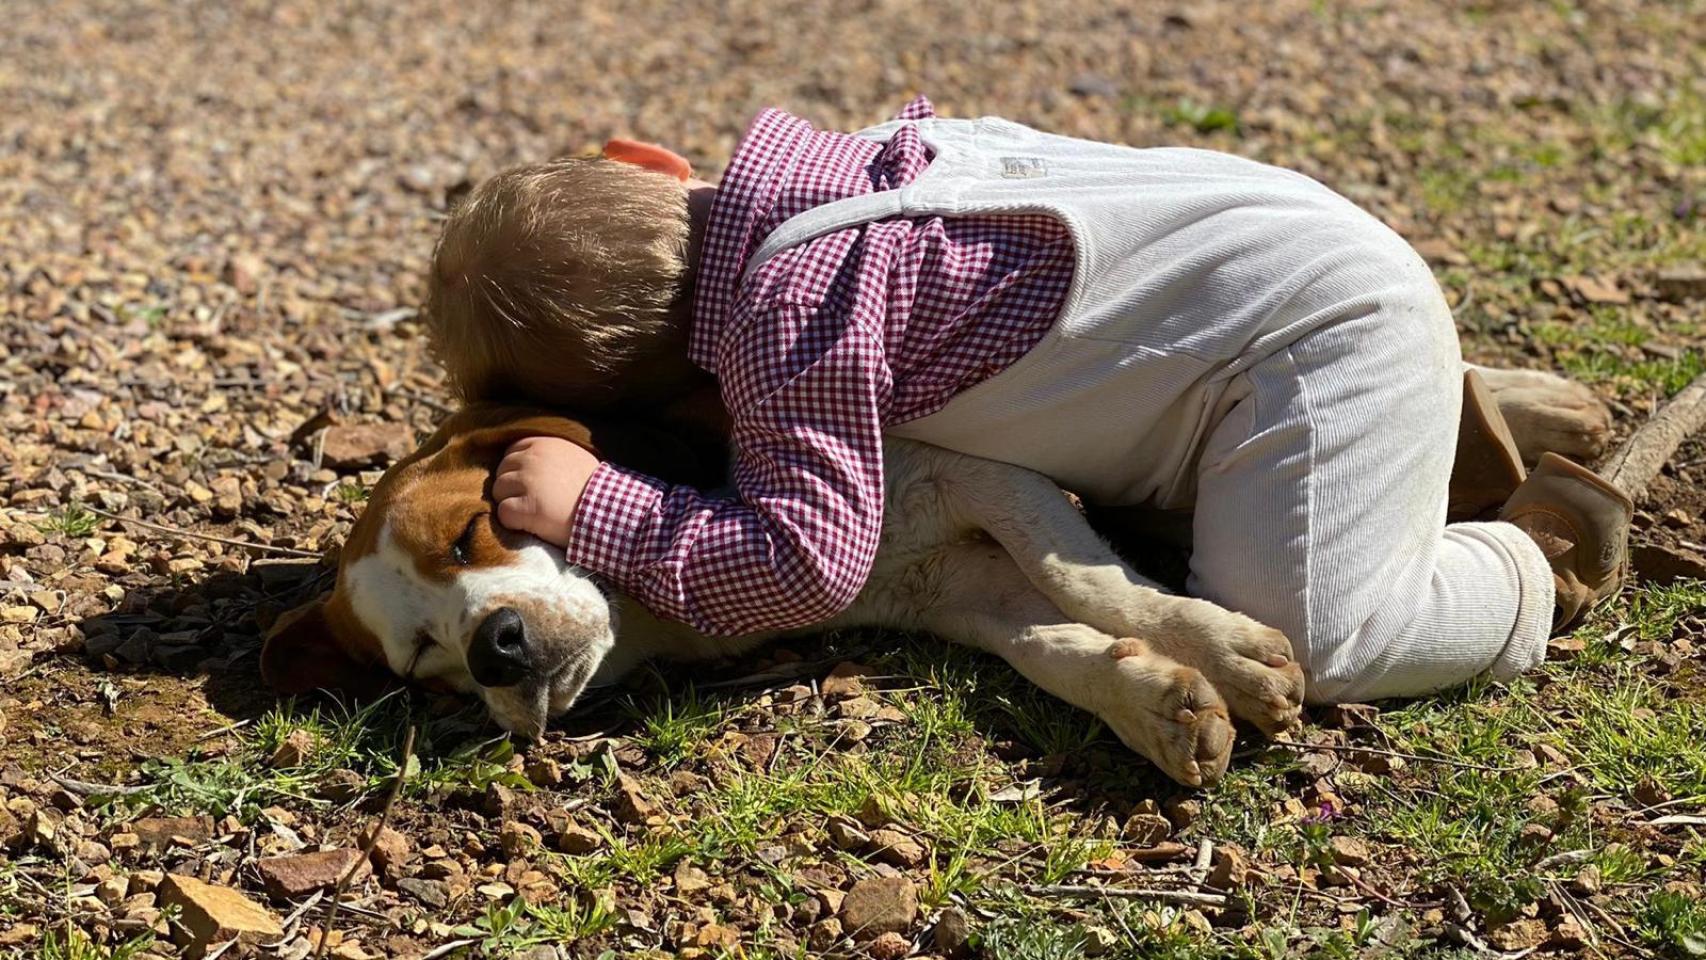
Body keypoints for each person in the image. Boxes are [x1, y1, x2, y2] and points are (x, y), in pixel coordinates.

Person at [424, 96, 1631, 704]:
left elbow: (805, 567)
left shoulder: (791, 339)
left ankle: (1531, 560)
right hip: (1298, 248)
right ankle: (1431, 419)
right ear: (650, 167)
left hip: (1303, 346)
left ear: (690, 396)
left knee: (1313, 636)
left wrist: (608, 510)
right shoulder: (844, 167)